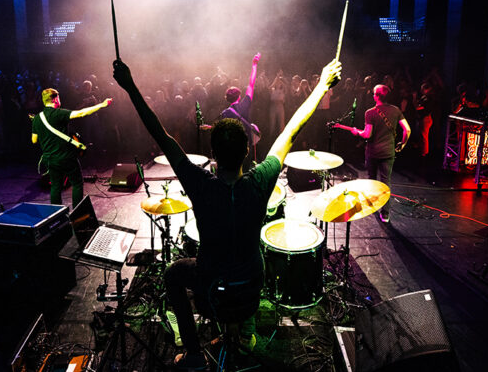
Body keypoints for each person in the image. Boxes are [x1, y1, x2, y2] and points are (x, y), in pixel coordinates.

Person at [113, 57, 341, 369]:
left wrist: (130, 87)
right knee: (246, 263)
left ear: (213, 154)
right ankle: (243, 334)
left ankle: (194, 353)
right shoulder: (261, 181)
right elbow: (292, 127)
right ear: (247, 151)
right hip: (249, 290)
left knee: (172, 274)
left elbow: (160, 134)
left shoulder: (200, 184)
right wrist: (322, 86)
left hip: (210, 294)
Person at [334, 84, 410, 223]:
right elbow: (407, 130)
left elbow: (367, 134)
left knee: (371, 179)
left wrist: (357, 132)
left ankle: (371, 205)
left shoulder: (370, 112)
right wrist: (402, 144)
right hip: (388, 152)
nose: (373, 95)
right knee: (385, 183)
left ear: (377, 96)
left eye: (374, 93)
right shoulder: (396, 110)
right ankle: (385, 214)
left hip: (373, 152)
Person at [31, 88, 112, 207]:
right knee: (77, 183)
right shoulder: (59, 113)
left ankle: (57, 216)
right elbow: (82, 113)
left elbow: (34, 140)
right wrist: (102, 104)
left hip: (50, 159)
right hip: (67, 157)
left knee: (55, 186)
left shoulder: (37, 118)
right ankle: (77, 214)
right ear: (55, 99)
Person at [202, 53, 262, 162]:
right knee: (246, 167)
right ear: (239, 95)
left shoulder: (225, 113)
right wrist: (254, 65)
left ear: (227, 98)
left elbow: (221, 128)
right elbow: (251, 84)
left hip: (234, 144)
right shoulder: (245, 103)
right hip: (246, 142)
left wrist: (209, 127)